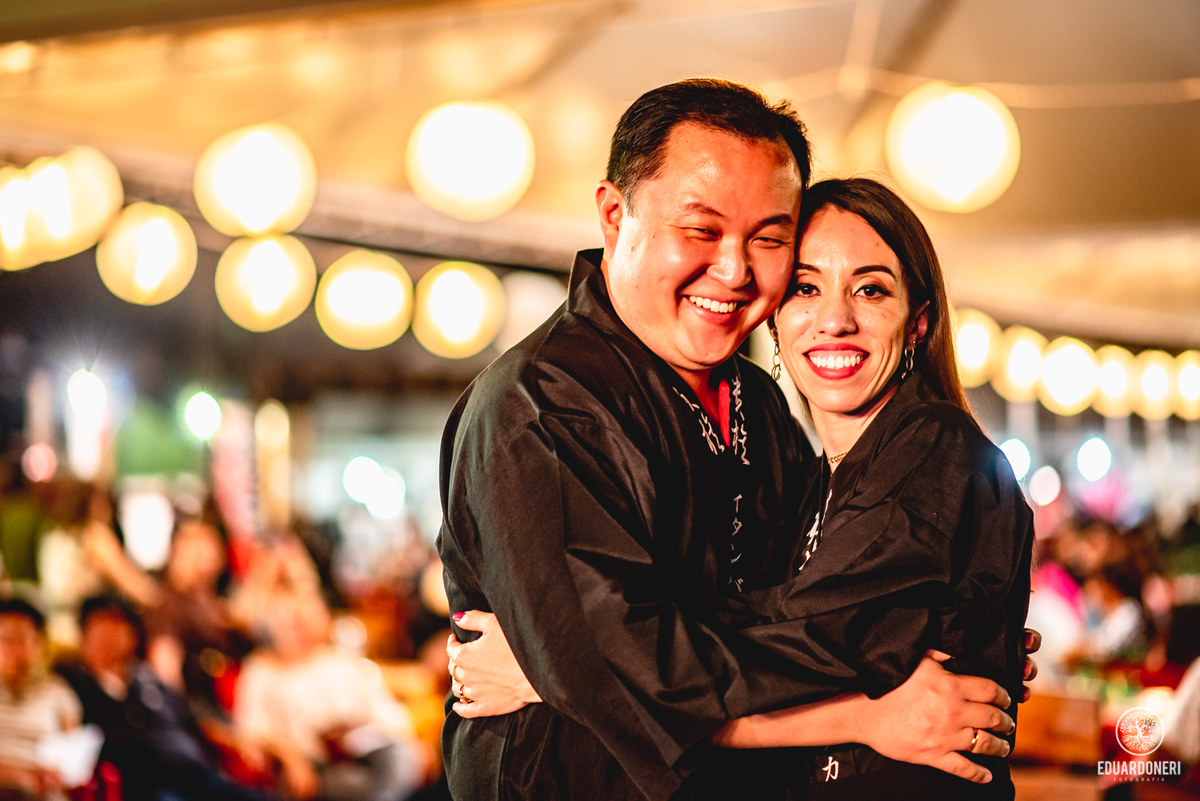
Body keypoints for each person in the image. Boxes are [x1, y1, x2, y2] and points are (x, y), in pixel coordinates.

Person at [437, 79, 1019, 801]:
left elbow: (822, 604)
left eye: (769, 239)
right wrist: (577, 664)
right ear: (615, 215)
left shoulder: (758, 402)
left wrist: (556, 666)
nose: (736, 270)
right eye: (701, 230)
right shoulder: (542, 406)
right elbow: (622, 670)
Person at [55, 595, 268, 801]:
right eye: (100, 627)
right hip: (143, 785)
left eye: (117, 626)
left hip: (197, 773)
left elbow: (191, 720)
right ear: (83, 634)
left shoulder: (148, 678)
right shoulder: (71, 683)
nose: (108, 637)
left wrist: (236, 742)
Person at [232, 592, 428, 801]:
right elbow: (251, 729)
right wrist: (291, 757)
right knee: (360, 782)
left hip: (363, 750)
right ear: (273, 630)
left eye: (305, 623)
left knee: (403, 756)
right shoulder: (262, 669)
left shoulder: (340, 660)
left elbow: (382, 707)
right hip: (313, 764)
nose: (299, 632)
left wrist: (411, 742)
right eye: (291, 626)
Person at [0, 597, 80, 801]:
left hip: (43, 792)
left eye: (21, 638)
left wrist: (59, 774)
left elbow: (74, 754)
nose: (12, 647)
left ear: (37, 643)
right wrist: (20, 775)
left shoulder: (57, 691)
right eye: (5, 638)